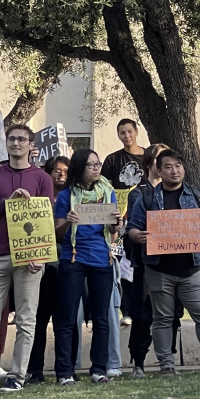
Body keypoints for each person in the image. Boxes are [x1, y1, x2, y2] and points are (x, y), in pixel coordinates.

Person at [125, 148, 200, 376]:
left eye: (178, 166)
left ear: (183, 168)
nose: (175, 170)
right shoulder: (147, 197)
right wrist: (137, 236)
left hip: (190, 270)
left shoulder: (198, 195)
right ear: (159, 171)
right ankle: (167, 367)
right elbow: (132, 227)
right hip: (159, 269)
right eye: (168, 167)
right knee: (162, 318)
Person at [0, 124, 56, 394]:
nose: (16, 143)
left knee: (26, 320)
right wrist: (8, 201)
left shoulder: (42, 178)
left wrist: (41, 256)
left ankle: (17, 376)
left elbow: (46, 220)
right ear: (6, 143)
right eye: (12, 139)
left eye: (22, 139)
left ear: (32, 146)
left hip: (30, 258)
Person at [53, 148, 118, 385]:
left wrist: (116, 223)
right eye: (91, 165)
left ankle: (99, 369)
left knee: (101, 318)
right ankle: (65, 372)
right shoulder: (66, 196)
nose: (96, 168)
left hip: (101, 259)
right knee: (67, 318)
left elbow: (112, 233)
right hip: (74, 260)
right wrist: (67, 223)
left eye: (98, 164)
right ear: (80, 168)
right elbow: (57, 234)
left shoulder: (107, 192)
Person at [122, 143, 167, 378]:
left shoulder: (180, 193)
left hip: (172, 264)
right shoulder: (138, 194)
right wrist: (135, 234)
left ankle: (166, 362)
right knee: (142, 314)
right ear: (149, 163)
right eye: (161, 159)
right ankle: (138, 363)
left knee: (170, 314)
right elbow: (133, 228)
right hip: (145, 265)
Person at [26, 154, 69, 383]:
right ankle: (35, 370)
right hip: (42, 265)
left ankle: (65, 370)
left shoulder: (74, 197)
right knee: (39, 319)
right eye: (56, 170)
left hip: (67, 265)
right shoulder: (37, 198)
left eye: (65, 170)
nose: (61, 174)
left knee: (64, 320)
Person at [100, 118, 146, 189]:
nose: (127, 136)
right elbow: (106, 189)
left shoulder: (149, 156)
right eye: (122, 133)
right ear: (118, 135)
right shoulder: (111, 159)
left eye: (130, 131)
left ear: (136, 132)